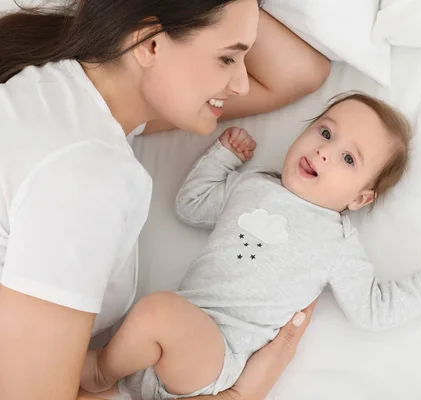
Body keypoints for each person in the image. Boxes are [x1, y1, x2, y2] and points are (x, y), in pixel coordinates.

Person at [0, 0, 331, 398]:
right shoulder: (85, 178)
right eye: (227, 58)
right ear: (150, 44)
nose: (241, 82)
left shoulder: (59, 84)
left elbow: (299, 74)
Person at [80, 92, 421, 400]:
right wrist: (223, 158)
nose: (324, 150)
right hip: (161, 352)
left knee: (155, 311)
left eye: (348, 159)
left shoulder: (336, 240)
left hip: (219, 354)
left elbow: (372, 309)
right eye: (325, 132)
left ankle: (100, 369)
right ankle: (103, 379)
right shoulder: (254, 185)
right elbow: (191, 206)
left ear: (359, 199)